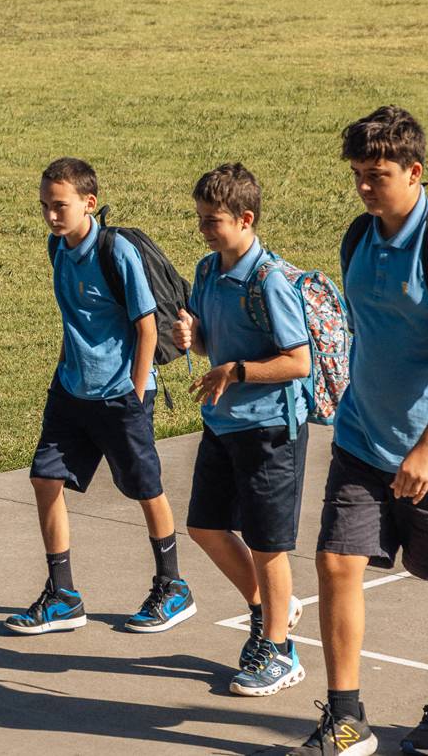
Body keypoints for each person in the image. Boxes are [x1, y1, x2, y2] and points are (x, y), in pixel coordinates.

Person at [284, 106, 428, 756]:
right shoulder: (361, 236)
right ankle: (347, 717)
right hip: (361, 436)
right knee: (334, 561)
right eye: (356, 174)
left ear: (414, 170)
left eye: (376, 174)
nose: (363, 186)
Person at [4, 158, 193, 637]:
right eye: (44, 206)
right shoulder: (57, 248)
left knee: (145, 489)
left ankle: (173, 586)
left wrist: (134, 388)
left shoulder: (118, 252)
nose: (50, 216)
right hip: (71, 389)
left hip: (120, 394)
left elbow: (146, 326)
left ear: (89, 203)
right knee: (45, 481)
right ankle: (64, 596)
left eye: (59, 206)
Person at [172, 163, 311, 697]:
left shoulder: (270, 280)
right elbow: (211, 345)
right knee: (205, 527)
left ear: (246, 219)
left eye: (214, 220)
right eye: (201, 219)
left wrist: (236, 371)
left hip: (271, 428)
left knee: (267, 544)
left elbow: (298, 361)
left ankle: (280, 651)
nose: (204, 229)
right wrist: (196, 337)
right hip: (223, 423)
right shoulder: (208, 271)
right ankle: (270, 609)